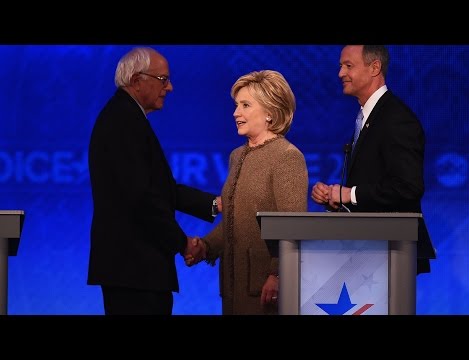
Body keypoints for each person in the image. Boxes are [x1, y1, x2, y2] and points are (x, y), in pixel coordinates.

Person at [87, 47, 220, 315]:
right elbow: (141, 199)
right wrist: (182, 243)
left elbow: (160, 189)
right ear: (137, 81)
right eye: (163, 80)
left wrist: (215, 204)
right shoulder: (122, 121)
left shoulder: (126, 117)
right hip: (134, 270)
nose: (169, 88)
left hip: (135, 269)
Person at [186, 70, 309, 314]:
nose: (236, 113)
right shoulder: (237, 156)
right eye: (236, 105)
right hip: (233, 284)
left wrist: (277, 273)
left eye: (245, 105)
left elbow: (293, 226)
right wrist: (206, 246)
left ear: (270, 113)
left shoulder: (287, 157)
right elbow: (235, 220)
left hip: (265, 285)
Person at [311, 45, 435, 274]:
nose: (340, 73)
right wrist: (336, 197)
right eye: (340, 66)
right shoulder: (370, 115)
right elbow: (373, 179)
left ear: (374, 67)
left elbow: (408, 188)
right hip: (368, 250)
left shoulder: (396, 119)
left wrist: (351, 194)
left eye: (348, 66)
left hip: (391, 251)